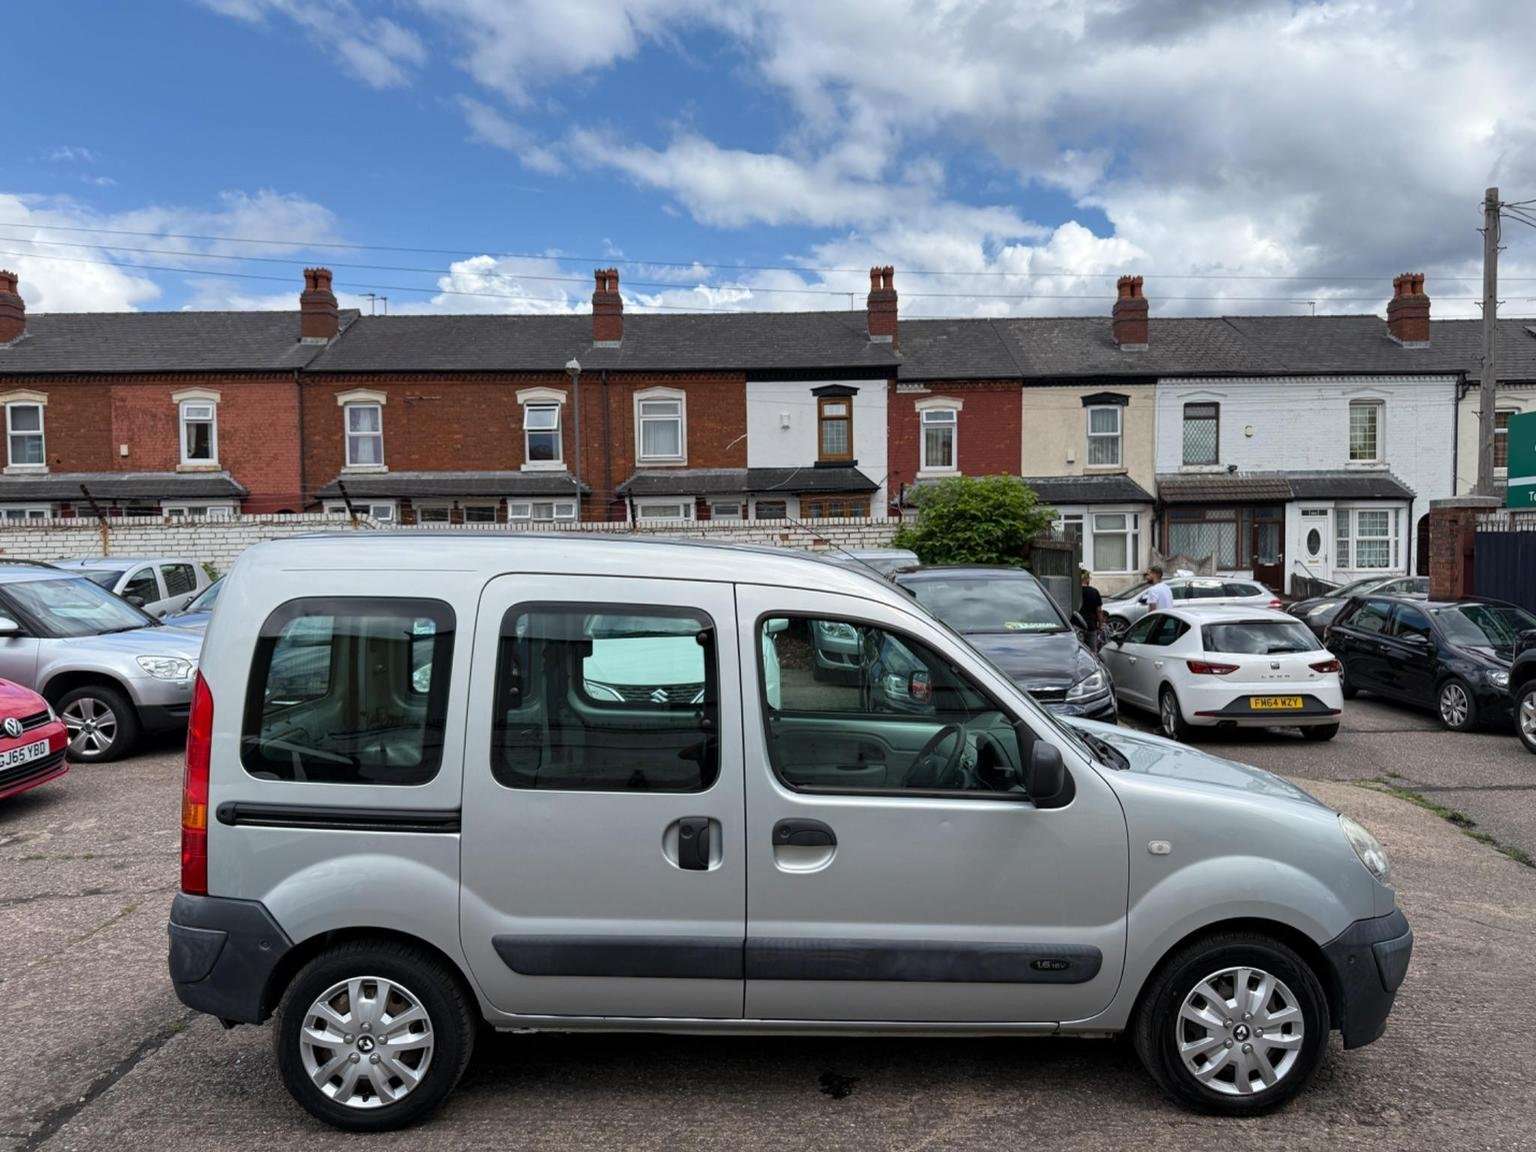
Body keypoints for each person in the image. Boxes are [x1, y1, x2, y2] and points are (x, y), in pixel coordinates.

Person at [1078, 570, 1104, 651]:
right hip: (1091, 625)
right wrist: (1100, 625)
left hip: (1077, 625)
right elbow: (1099, 611)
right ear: (1087, 579)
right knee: (1092, 652)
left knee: (1079, 650)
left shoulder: (1075, 591)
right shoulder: (1094, 592)